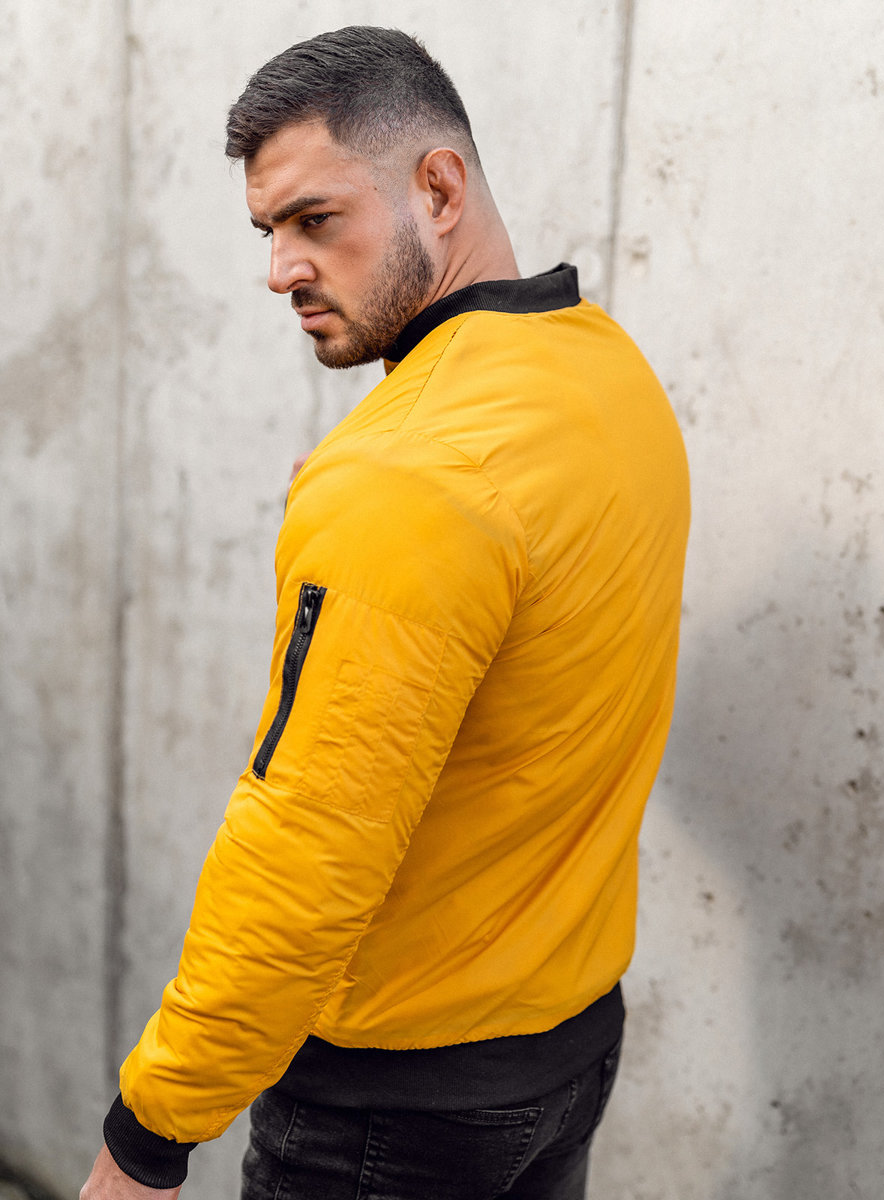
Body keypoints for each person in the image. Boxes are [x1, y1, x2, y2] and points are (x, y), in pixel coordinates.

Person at [81, 25, 689, 1200]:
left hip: (394, 1111)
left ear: (439, 190)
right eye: (269, 231)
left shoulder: (405, 474)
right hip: (567, 1050)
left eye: (317, 220)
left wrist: (150, 1135)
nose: (281, 270)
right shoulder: (609, 375)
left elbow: (301, 854)